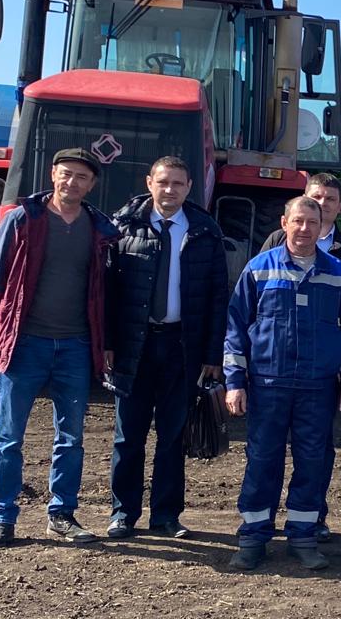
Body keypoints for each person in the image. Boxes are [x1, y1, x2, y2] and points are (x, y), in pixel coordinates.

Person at [0, 148, 118, 548]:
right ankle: (2, 518)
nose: (72, 182)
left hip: (75, 346)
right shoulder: (25, 219)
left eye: (81, 177)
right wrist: (12, 323)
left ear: (91, 185)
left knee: (71, 437)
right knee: (9, 436)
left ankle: (61, 514)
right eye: (66, 174)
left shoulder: (99, 229)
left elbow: (104, 289)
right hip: (26, 344)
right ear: (53, 175)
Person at [224, 196, 341, 571]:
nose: (305, 229)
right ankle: (253, 537)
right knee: (262, 460)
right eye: (298, 221)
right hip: (268, 383)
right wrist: (235, 381)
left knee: (312, 462)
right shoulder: (259, 269)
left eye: (312, 222)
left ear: (322, 227)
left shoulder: (339, 272)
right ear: (284, 223)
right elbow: (236, 327)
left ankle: (303, 536)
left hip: (318, 387)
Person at [105, 156, 228, 539]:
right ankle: (123, 514)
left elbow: (217, 297)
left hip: (182, 348)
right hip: (134, 346)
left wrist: (213, 355)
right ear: (149, 183)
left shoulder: (205, 231)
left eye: (177, 183)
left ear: (189, 187)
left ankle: (166, 515)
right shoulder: (123, 227)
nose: (170, 189)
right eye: (163, 182)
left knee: (173, 436)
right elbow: (107, 291)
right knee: (128, 435)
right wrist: (108, 344)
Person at [259, 171, 341, 542]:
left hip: (321, 374)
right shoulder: (274, 246)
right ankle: (258, 528)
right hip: (275, 372)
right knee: (266, 453)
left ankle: (311, 522)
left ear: (339, 207)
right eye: (316, 198)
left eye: (329, 200)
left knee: (316, 453)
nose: (321, 207)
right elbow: (253, 311)